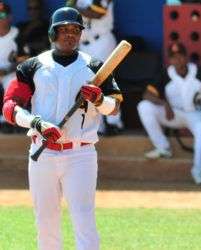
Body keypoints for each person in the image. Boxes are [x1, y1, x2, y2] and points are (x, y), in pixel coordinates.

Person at [2, 7, 122, 250]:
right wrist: (37, 123)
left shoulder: (95, 67)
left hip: (81, 154)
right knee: (46, 222)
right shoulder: (33, 66)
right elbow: (9, 108)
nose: (70, 34)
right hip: (42, 152)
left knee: (84, 220)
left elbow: (115, 107)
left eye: (75, 30)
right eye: (64, 29)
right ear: (52, 33)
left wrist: (99, 100)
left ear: (81, 34)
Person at [137, 42, 201, 185]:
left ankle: (198, 171)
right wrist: (164, 104)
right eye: (174, 57)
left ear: (186, 57)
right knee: (144, 106)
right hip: (175, 114)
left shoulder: (200, 71)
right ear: (170, 60)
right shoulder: (166, 74)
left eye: (180, 56)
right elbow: (147, 94)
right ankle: (163, 147)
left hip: (198, 115)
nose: (177, 60)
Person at [67, 0, 124, 133]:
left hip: (102, 41)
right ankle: (99, 126)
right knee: (89, 85)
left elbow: (98, 13)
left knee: (106, 81)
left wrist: (73, 7)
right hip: (84, 44)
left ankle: (114, 122)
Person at [0, 1, 19, 131]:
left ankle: (10, 120)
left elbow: (25, 59)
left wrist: (6, 70)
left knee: (13, 82)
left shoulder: (18, 34)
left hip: (9, 73)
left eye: (2, 15)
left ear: (9, 17)